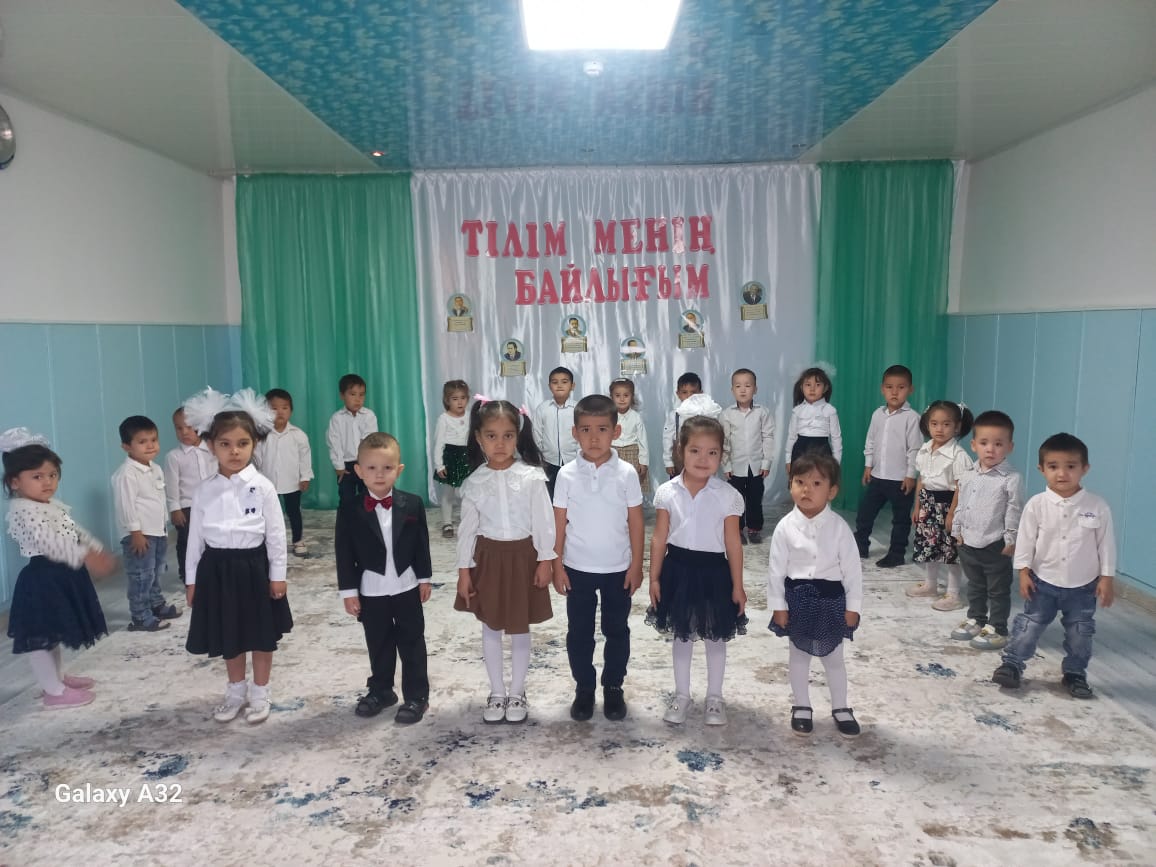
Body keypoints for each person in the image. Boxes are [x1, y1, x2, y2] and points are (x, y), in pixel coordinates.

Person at [183, 388, 293, 725]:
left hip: (254, 569)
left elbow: (276, 535)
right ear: (210, 445)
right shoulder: (204, 490)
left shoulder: (263, 487)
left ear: (254, 444)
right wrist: (192, 580)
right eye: (225, 444)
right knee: (229, 635)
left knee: (261, 636)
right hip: (217, 571)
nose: (234, 451)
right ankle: (235, 692)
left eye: (242, 443)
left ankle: (260, 692)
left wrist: (278, 575)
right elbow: (195, 539)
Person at [992, 433, 1116, 698]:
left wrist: (1107, 578)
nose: (1062, 473)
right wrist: (1023, 572)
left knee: (1081, 632)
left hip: (1083, 587)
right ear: (1042, 469)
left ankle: (1075, 673)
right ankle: (1012, 665)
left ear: (1084, 468)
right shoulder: (1037, 505)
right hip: (1042, 582)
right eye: (1053, 466)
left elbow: (1106, 544)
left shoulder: (1097, 506)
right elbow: (1026, 540)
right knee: (1029, 626)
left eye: (1071, 466)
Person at [455, 399, 555, 724]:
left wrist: (545, 560)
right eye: (491, 436)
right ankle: (497, 691)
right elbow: (467, 531)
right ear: (478, 438)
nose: (500, 444)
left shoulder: (531, 477)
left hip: (523, 558)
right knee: (491, 625)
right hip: (488, 560)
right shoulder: (474, 482)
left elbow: (544, 522)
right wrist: (464, 571)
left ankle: (517, 691)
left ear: (518, 437)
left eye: (508, 436)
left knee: (519, 626)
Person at [3, 428, 116, 709]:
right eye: (37, 476)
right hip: (43, 578)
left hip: (62, 575)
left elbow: (73, 530)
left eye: (52, 475)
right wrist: (84, 556)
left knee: (52, 633)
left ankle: (59, 678)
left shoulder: (50, 505)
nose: (48, 482)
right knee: (41, 638)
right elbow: (49, 543)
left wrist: (94, 547)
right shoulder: (22, 510)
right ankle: (52, 691)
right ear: (15, 482)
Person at [647, 415, 747, 727]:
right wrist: (653, 577)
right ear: (681, 451)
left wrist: (738, 585)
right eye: (695, 451)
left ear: (721, 455)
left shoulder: (728, 496)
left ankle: (715, 697)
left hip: (714, 573)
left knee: (716, 637)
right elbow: (659, 537)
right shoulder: (667, 492)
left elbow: (733, 543)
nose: (703, 459)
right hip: (677, 571)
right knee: (683, 635)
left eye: (712, 452)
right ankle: (682, 694)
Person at [552, 395, 644, 722]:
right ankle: (585, 688)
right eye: (586, 429)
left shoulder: (627, 473)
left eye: (602, 429)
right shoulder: (566, 475)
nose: (594, 438)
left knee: (616, 630)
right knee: (579, 632)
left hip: (618, 567)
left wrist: (637, 565)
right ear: (575, 433)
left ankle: (613, 687)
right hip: (577, 567)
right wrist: (556, 565)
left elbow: (636, 522)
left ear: (616, 432)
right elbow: (558, 523)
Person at [336, 432, 433, 724]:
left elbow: (421, 544)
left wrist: (424, 578)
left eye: (387, 468)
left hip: (406, 585)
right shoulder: (350, 509)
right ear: (358, 471)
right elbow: (344, 552)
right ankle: (381, 690)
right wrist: (349, 592)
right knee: (378, 642)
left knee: (412, 642)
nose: (379, 474)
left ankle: (417, 696)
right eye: (372, 468)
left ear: (399, 469)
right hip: (372, 589)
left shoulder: (412, 504)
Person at [768, 453, 863, 737]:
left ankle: (841, 706)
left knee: (833, 658)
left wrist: (853, 607)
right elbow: (776, 571)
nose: (806, 489)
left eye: (816, 483)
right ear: (790, 485)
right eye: (799, 482)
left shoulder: (840, 528)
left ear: (832, 491)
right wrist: (778, 606)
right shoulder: (785, 527)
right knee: (798, 656)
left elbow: (853, 571)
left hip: (831, 600)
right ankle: (801, 705)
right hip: (797, 599)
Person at [948, 410, 1023, 651]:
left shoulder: (1010, 478)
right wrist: (957, 530)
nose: (990, 449)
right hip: (968, 541)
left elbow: (1014, 510)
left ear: (1009, 447)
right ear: (974, 445)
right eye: (984, 443)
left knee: (998, 589)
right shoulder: (967, 474)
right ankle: (976, 619)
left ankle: (998, 627)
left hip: (995, 543)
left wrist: (1010, 539)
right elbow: (962, 504)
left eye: (998, 444)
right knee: (975, 584)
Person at [906, 401, 975, 610]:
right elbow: (922, 480)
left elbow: (961, 488)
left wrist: (952, 514)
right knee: (929, 546)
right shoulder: (925, 450)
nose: (939, 429)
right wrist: (917, 506)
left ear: (957, 427)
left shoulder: (958, 455)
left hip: (948, 506)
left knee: (950, 551)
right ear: (927, 425)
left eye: (946, 424)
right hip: (928, 504)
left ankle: (953, 593)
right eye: (934, 424)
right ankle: (931, 584)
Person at [112, 415, 178, 631]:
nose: (150, 446)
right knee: (141, 575)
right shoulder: (126, 474)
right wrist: (135, 533)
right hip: (139, 534)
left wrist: (164, 526)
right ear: (126, 446)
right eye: (142, 442)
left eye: (153, 440)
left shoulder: (155, 468)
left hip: (157, 531)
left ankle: (155, 603)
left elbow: (157, 500)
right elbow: (126, 506)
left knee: (156, 570)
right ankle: (140, 615)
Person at [853, 365, 922, 567]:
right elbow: (871, 441)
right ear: (882, 389)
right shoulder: (877, 414)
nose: (894, 392)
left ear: (910, 390)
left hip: (900, 479)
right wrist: (868, 466)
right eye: (889, 387)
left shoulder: (912, 418)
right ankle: (860, 545)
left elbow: (915, 449)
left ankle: (897, 553)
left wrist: (910, 475)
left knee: (900, 519)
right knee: (865, 513)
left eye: (901, 387)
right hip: (878, 476)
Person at [253, 389, 314, 557]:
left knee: (294, 512)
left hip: (292, 482)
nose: (279, 412)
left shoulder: (298, 435)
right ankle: (266, 541)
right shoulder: (262, 436)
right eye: (274, 408)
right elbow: (257, 459)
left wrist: (305, 476)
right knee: (267, 513)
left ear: (291, 411)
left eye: (284, 408)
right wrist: (256, 478)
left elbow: (305, 457)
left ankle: (298, 540)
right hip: (267, 481)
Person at [721, 368, 776, 545]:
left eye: (747, 385)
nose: (743, 390)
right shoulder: (727, 414)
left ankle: (754, 529)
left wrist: (766, 463)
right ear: (732, 390)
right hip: (735, 466)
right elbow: (724, 442)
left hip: (756, 466)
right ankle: (737, 529)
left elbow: (768, 437)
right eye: (738, 386)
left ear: (755, 389)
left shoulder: (762, 412)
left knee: (755, 499)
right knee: (736, 499)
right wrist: (726, 465)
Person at [164, 406, 217, 585]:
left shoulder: (213, 449)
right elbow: (171, 484)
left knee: (211, 539)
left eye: (189, 426)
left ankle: (209, 571)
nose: (184, 432)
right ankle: (187, 575)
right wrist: (175, 508)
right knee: (187, 542)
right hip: (187, 506)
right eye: (179, 428)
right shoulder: (174, 456)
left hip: (212, 504)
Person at [326, 373, 379, 507]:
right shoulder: (337, 418)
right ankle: (347, 520)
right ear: (342, 395)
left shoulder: (369, 416)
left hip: (365, 463)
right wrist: (339, 467)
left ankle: (367, 519)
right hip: (346, 466)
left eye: (361, 395)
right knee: (346, 498)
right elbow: (334, 443)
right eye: (353, 394)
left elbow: (369, 440)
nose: (357, 399)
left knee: (368, 496)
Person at [431, 380, 471, 538]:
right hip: (450, 457)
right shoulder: (444, 419)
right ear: (447, 400)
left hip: (467, 456)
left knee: (468, 491)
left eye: (463, 398)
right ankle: (447, 523)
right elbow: (438, 444)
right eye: (455, 399)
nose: (460, 402)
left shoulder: (470, 416)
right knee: (448, 492)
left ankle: (468, 520)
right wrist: (439, 465)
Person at [785, 367, 842, 473]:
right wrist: (788, 460)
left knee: (821, 478)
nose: (812, 389)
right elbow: (791, 436)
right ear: (802, 387)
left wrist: (836, 462)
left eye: (818, 385)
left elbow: (836, 438)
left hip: (822, 450)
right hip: (800, 450)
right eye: (808, 385)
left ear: (825, 388)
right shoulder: (797, 411)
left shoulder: (830, 410)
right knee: (800, 478)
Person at [532, 366, 578, 498]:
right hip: (549, 462)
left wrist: (580, 456)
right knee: (551, 495)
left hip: (573, 461)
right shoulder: (543, 409)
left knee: (573, 495)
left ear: (572, 386)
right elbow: (537, 434)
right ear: (549, 386)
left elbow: (583, 434)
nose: (559, 385)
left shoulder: (578, 409)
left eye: (564, 382)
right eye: (555, 382)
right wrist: (540, 457)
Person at [609, 378, 650, 490]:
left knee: (631, 487)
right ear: (612, 397)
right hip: (613, 453)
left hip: (632, 454)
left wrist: (643, 462)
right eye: (618, 396)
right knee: (614, 486)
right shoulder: (608, 417)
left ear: (632, 397)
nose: (622, 399)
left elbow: (643, 441)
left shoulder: (636, 417)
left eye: (626, 395)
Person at [661, 372, 702, 477]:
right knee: (678, 484)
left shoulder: (705, 414)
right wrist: (668, 462)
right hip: (679, 459)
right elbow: (667, 439)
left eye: (693, 392)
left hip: (701, 458)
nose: (689, 396)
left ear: (701, 393)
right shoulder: (674, 415)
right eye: (684, 392)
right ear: (678, 394)